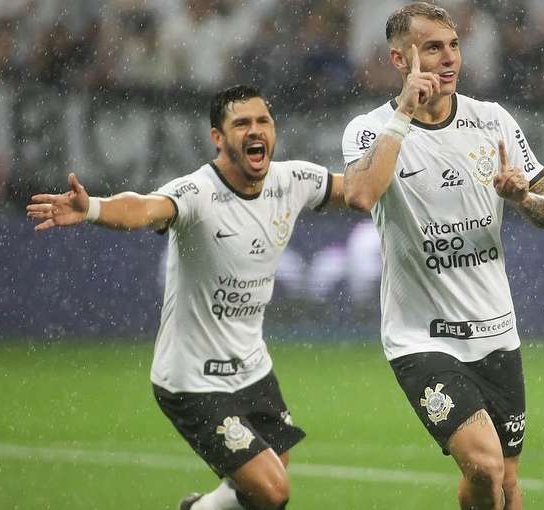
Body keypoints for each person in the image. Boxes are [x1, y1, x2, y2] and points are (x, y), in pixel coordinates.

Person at [27, 85, 344, 510]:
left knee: (273, 466)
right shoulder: (196, 193)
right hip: (192, 379)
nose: (256, 130)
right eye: (241, 123)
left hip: (251, 366)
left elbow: (357, 190)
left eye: (263, 121)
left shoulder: (293, 180)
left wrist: (401, 131)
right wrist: (93, 209)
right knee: (272, 491)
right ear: (218, 137)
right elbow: (142, 208)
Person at [341, 3, 544, 509]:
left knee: (504, 485)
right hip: (421, 338)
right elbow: (360, 194)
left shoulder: (494, 121)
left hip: (496, 331)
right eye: (432, 48)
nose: (448, 59)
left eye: (453, 46)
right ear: (400, 60)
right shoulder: (368, 128)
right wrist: (403, 114)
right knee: (484, 464)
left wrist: (524, 198)